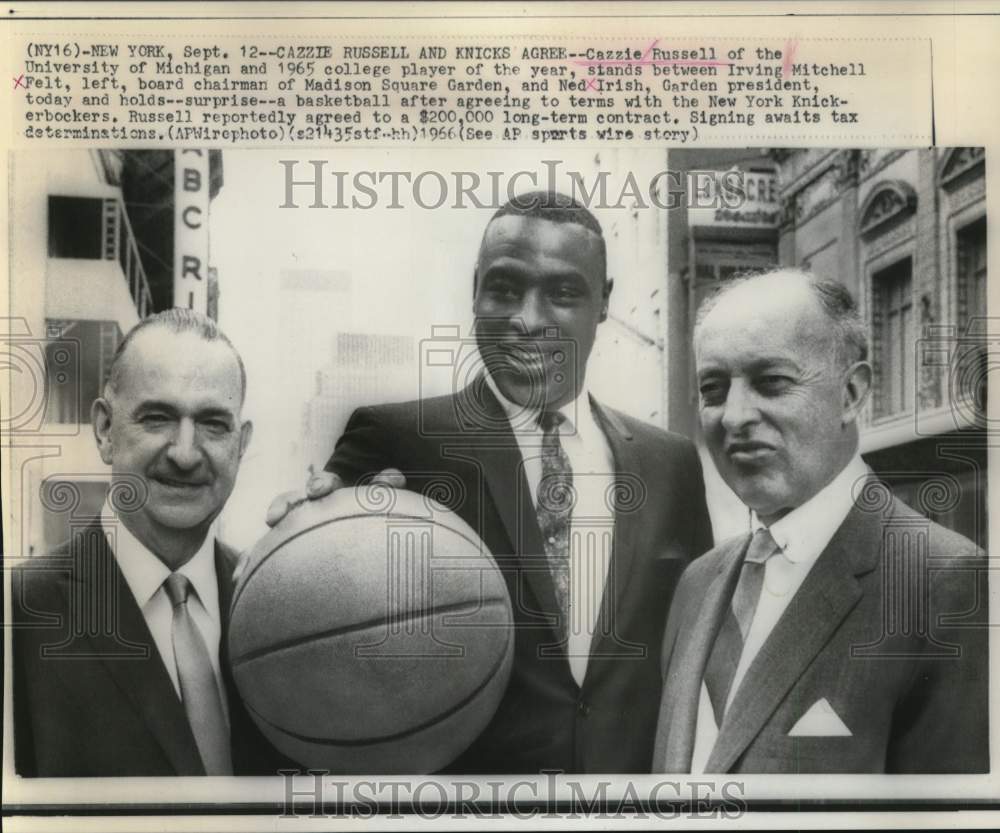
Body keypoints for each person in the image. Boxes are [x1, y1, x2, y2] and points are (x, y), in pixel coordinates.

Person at [267, 192, 714, 773]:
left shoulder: (671, 464)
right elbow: (311, 632)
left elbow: (699, 652)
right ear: (475, 288)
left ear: (603, 302)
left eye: (563, 293)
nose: (527, 320)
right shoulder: (397, 442)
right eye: (504, 288)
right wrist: (302, 536)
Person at [652, 269, 988, 774]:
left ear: (851, 394)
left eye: (772, 382)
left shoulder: (944, 581)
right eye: (714, 389)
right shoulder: (697, 584)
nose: (734, 416)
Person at [13, 309, 281, 776]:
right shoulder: (18, 612)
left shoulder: (278, 607)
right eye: (157, 418)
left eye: (213, 423)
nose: (183, 453)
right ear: (104, 431)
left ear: (241, 444)